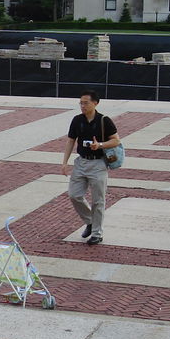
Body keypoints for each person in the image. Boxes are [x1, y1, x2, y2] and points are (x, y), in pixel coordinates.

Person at [61, 90, 120, 246]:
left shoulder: (104, 120)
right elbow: (70, 141)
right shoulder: (77, 120)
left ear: (95, 103)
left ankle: (97, 233)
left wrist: (99, 145)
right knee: (74, 195)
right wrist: (65, 162)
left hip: (98, 164)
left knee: (98, 201)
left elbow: (116, 141)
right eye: (81, 102)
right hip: (81, 162)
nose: (82, 106)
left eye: (86, 102)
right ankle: (90, 221)